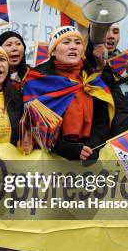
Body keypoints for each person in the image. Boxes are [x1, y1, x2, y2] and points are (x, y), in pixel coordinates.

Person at [22, 26, 114, 160]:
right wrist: (69, 150)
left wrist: (92, 147)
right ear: (53, 52)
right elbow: (35, 125)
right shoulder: (37, 81)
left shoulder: (91, 79)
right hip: (51, 163)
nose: (73, 47)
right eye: (66, 42)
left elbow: (102, 120)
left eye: (77, 43)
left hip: (88, 158)